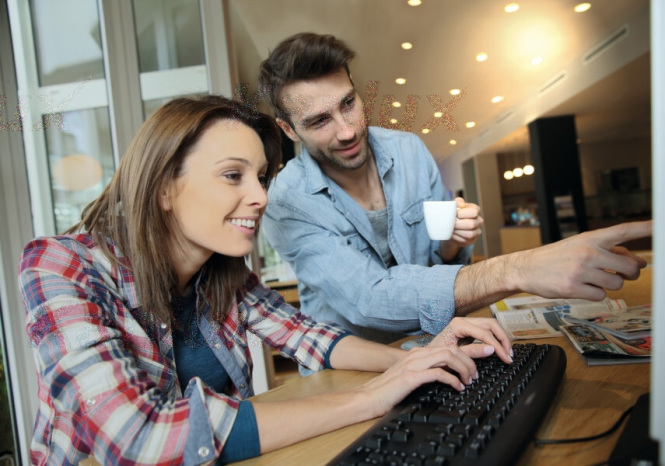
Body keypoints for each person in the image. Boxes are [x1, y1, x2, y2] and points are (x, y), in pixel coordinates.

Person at [18, 95, 512, 465]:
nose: (260, 197)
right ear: (165, 187)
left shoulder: (223, 273)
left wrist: (418, 359)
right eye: (233, 176)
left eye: (260, 177)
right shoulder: (59, 267)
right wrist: (371, 396)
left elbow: (309, 336)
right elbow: (141, 436)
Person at [259, 32, 652, 345]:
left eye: (348, 103)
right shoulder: (285, 201)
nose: (347, 131)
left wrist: (451, 244)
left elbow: (441, 262)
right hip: (351, 369)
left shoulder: (409, 150)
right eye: (319, 121)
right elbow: (369, 298)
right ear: (289, 130)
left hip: (433, 341)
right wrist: (517, 268)